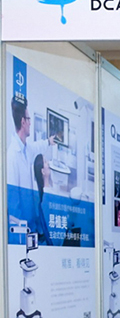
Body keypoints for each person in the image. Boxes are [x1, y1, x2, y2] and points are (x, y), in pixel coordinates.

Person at [8, 97, 55, 229]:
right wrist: (22, 234)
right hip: (23, 230)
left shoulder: (26, 148)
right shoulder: (12, 156)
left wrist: (48, 142)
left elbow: (37, 146)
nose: (30, 123)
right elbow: (13, 206)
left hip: (32, 225)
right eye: (28, 119)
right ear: (23, 122)